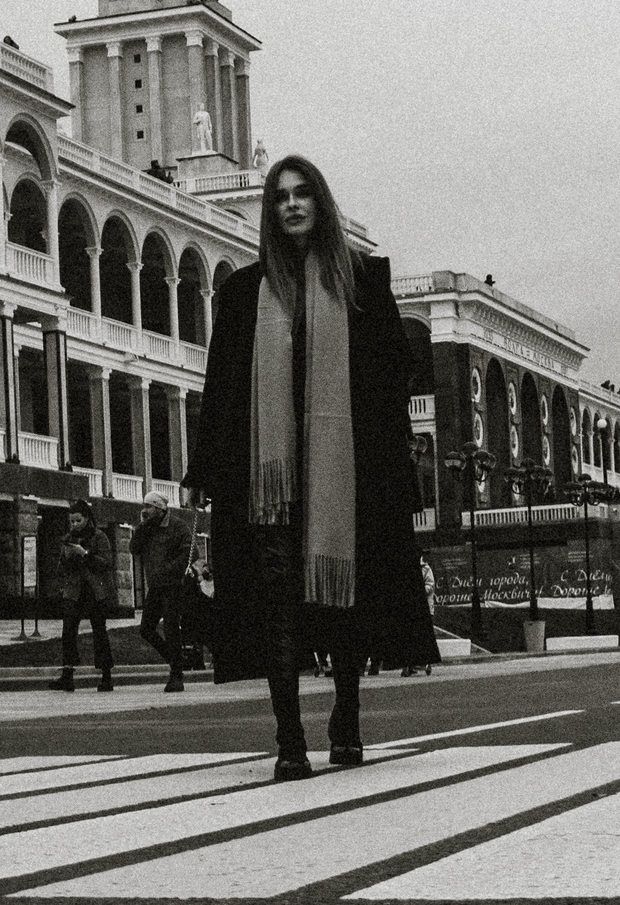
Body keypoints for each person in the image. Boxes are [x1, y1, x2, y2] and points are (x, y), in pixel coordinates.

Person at [182, 155, 438, 782]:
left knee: (343, 601)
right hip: (270, 484)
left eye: (302, 194)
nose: (292, 205)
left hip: (344, 475)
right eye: (280, 197)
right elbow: (222, 385)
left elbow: (392, 375)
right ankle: (289, 738)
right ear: (270, 212)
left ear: (320, 204)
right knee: (277, 609)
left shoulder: (359, 282)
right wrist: (206, 470)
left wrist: (387, 456)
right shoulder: (245, 291)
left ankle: (346, 720)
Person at [48, 509, 115, 692]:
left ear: (87, 518)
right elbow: (61, 566)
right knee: (68, 631)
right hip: (74, 591)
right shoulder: (68, 539)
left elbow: (106, 563)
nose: (75, 524)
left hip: (94, 591)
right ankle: (67, 675)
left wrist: (85, 554)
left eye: (78, 520)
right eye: (72, 521)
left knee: (99, 631)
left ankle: (106, 676)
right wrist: (68, 558)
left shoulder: (99, 536)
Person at [132, 495, 193, 692]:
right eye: (144, 506)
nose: (145, 510)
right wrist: (142, 527)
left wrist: (169, 569)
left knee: (170, 627)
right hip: (156, 586)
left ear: (160, 509)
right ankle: (177, 660)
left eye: (149, 506)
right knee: (146, 629)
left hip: (173, 585)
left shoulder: (177, 526)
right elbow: (134, 549)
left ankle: (176, 675)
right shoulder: (147, 528)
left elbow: (191, 553)